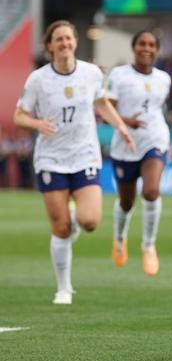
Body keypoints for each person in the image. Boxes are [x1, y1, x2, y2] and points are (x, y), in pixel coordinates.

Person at [14, 20, 135, 305]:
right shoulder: (38, 80)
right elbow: (19, 115)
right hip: (51, 159)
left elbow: (102, 102)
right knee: (60, 228)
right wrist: (36, 123)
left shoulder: (91, 73)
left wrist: (120, 126)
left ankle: (75, 219)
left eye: (69, 38)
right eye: (59, 39)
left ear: (76, 41)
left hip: (84, 156)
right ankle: (64, 288)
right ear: (49, 46)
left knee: (89, 221)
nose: (65, 43)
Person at [107, 31, 171, 276]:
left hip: (155, 139)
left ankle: (148, 245)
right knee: (126, 201)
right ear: (134, 48)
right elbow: (107, 110)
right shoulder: (118, 75)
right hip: (125, 144)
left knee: (151, 191)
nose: (147, 48)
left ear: (156, 50)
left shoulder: (163, 78)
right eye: (142, 44)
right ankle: (119, 238)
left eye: (152, 44)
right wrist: (125, 121)